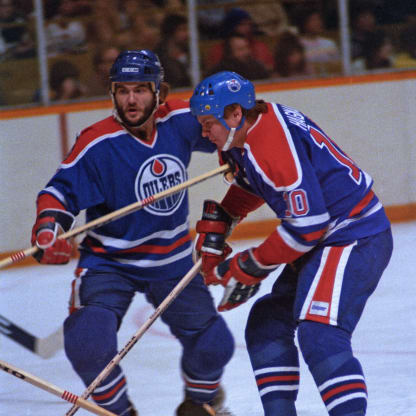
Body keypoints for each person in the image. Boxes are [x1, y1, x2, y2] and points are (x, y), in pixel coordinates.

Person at [30, 50, 235, 416]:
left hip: (171, 260)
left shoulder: (181, 120)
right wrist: (49, 228)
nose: (131, 99)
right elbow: (58, 193)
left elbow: (229, 130)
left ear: (160, 91)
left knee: (214, 344)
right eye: (122, 90)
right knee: (88, 342)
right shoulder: (97, 142)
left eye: (140, 89)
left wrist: (239, 154)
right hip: (111, 264)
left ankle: (199, 405)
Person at [189, 71, 393, 415]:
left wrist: (248, 264)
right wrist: (225, 218)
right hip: (326, 237)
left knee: (320, 333)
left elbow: (308, 226)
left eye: (209, 123)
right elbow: (259, 182)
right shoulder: (246, 135)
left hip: (352, 235)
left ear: (236, 114)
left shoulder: (270, 144)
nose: (204, 133)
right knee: (266, 322)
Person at [155, 13, 191, 88]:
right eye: (182, 29)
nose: (187, 34)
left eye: (187, 29)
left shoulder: (191, 53)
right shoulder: (159, 57)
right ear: (171, 31)